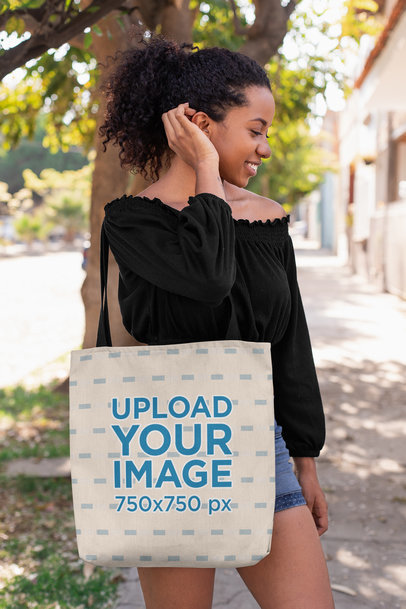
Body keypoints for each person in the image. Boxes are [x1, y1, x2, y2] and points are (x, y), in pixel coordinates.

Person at [99, 37, 335, 609]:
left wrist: (305, 459)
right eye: (255, 130)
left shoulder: (268, 219)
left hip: (260, 444)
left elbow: (290, 345)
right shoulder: (134, 224)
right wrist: (207, 167)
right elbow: (208, 279)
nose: (266, 149)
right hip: (166, 454)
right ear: (199, 124)